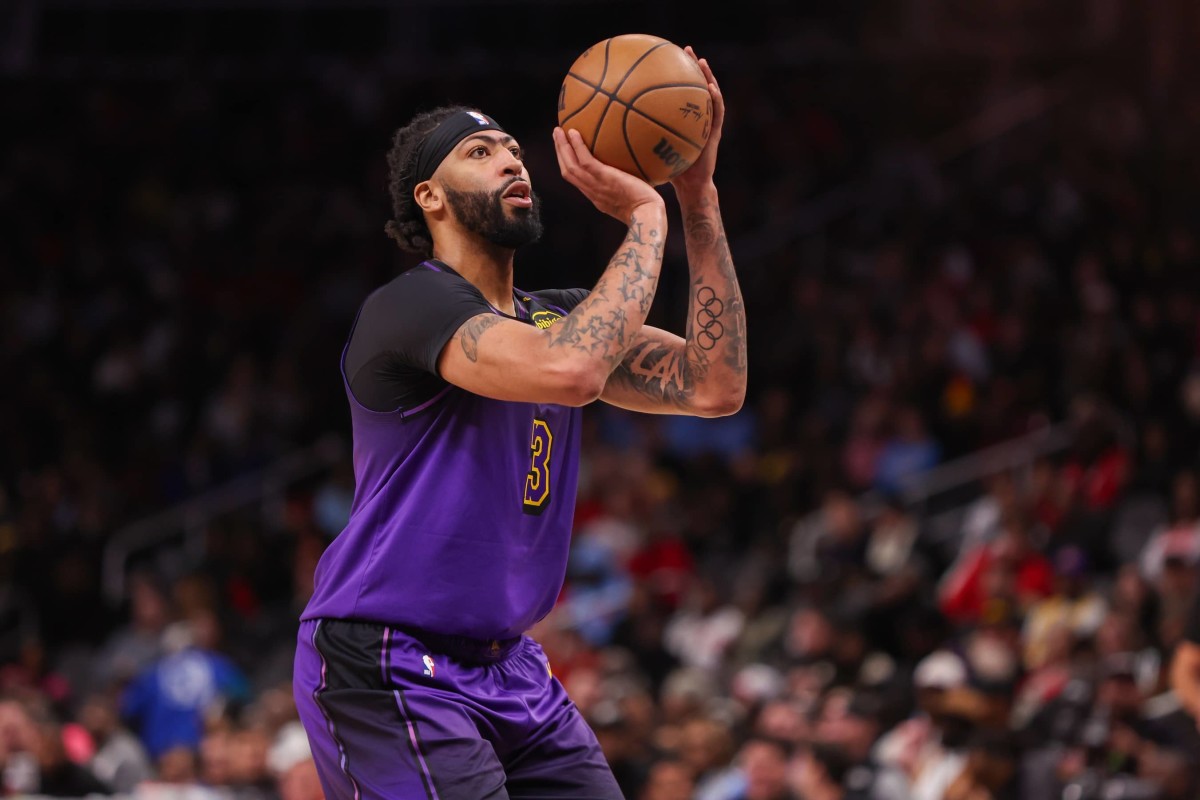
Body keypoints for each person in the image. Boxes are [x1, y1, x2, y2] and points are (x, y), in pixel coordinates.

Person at [293, 48, 746, 800]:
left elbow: (716, 385)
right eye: (480, 152)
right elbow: (569, 373)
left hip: (509, 665)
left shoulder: (560, 315)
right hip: (389, 659)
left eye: (513, 148)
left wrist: (696, 195)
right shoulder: (411, 307)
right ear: (430, 197)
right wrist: (644, 216)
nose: (511, 161)